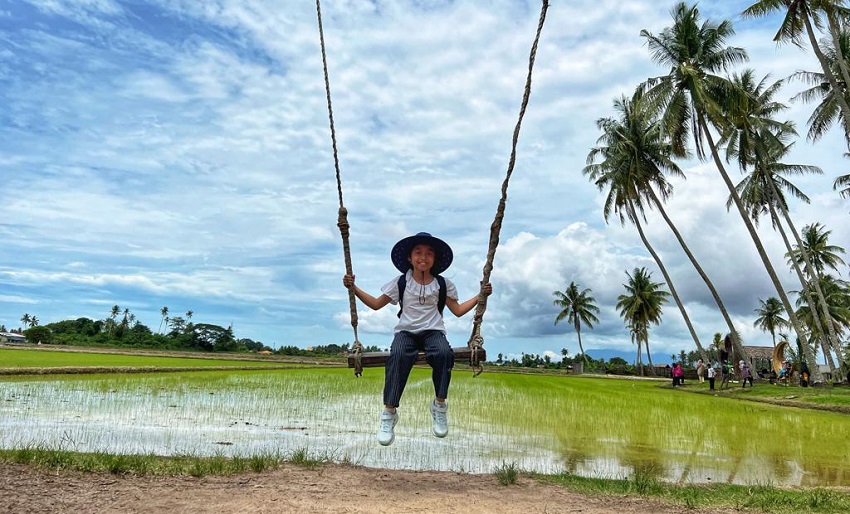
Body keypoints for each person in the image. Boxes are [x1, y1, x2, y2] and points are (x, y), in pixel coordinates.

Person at [343, 232, 492, 446]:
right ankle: (389, 412)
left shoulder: (443, 284)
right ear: (409, 258)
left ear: (435, 259)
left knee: (443, 354)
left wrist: (480, 296)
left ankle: (439, 405)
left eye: (429, 253)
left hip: (433, 332)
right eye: (418, 253)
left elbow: (458, 310)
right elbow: (376, 304)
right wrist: (353, 288)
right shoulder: (400, 282)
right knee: (397, 355)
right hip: (406, 332)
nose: (423, 257)